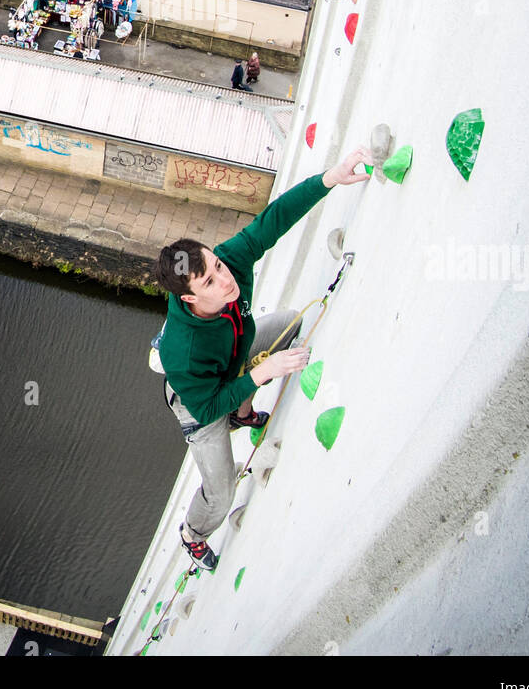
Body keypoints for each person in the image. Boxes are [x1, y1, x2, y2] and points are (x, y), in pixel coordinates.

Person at [155, 148, 371, 569]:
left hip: (233, 365)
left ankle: (243, 413)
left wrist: (329, 178)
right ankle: (193, 534)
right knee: (222, 491)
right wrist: (262, 374)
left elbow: (273, 220)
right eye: (211, 282)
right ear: (189, 298)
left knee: (290, 325)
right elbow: (207, 405)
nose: (227, 280)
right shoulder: (181, 351)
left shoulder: (229, 263)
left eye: (219, 265)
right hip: (199, 404)